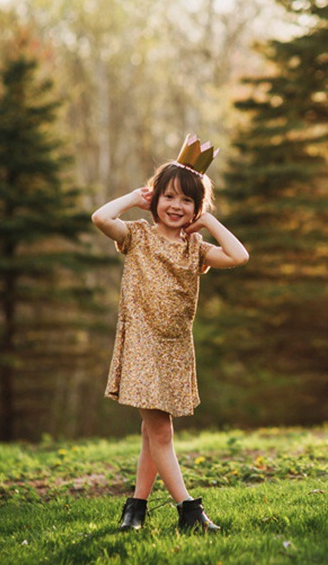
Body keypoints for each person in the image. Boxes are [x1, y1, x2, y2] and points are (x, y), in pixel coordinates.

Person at [91, 134, 249, 533]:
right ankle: (188, 512)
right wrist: (132, 197)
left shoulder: (195, 248)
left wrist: (209, 221)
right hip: (141, 341)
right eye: (169, 197)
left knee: (151, 430)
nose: (177, 207)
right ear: (155, 198)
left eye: (187, 201)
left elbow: (238, 255)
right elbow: (99, 218)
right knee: (162, 430)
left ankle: (135, 510)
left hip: (175, 346)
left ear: (196, 208)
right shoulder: (137, 236)